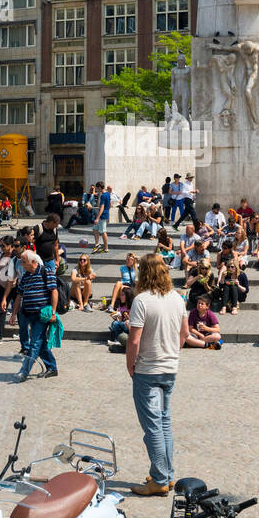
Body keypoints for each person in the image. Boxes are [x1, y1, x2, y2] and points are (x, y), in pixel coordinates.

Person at [126, 255, 188, 497]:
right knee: (164, 422)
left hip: (148, 370)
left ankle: (160, 479)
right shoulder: (177, 298)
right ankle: (167, 475)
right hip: (170, 369)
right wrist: (172, 353)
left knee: (152, 425)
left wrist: (130, 364)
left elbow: (134, 339)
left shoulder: (141, 300)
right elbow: (184, 333)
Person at [12, 250, 58, 381]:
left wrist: (53, 313)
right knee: (41, 343)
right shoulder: (26, 276)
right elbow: (19, 295)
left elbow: (54, 292)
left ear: (33, 262)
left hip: (42, 315)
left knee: (34, 343)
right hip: (29, 314)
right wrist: (14, 314)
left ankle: (24, 372)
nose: (21, 264)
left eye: (24, 262)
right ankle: (52, 368)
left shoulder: (45, 271)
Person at [92, 182, 111, 255]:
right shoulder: (108, 194)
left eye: (97, 188)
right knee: (95, 229)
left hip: (102, 215)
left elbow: (102, 207)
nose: (96, 189)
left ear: (100, 187)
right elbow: (110, 204)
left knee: (103, 232)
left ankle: (106, 248)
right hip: (104, 214)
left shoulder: (103, 195)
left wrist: (97, 218)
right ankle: (97, 244)